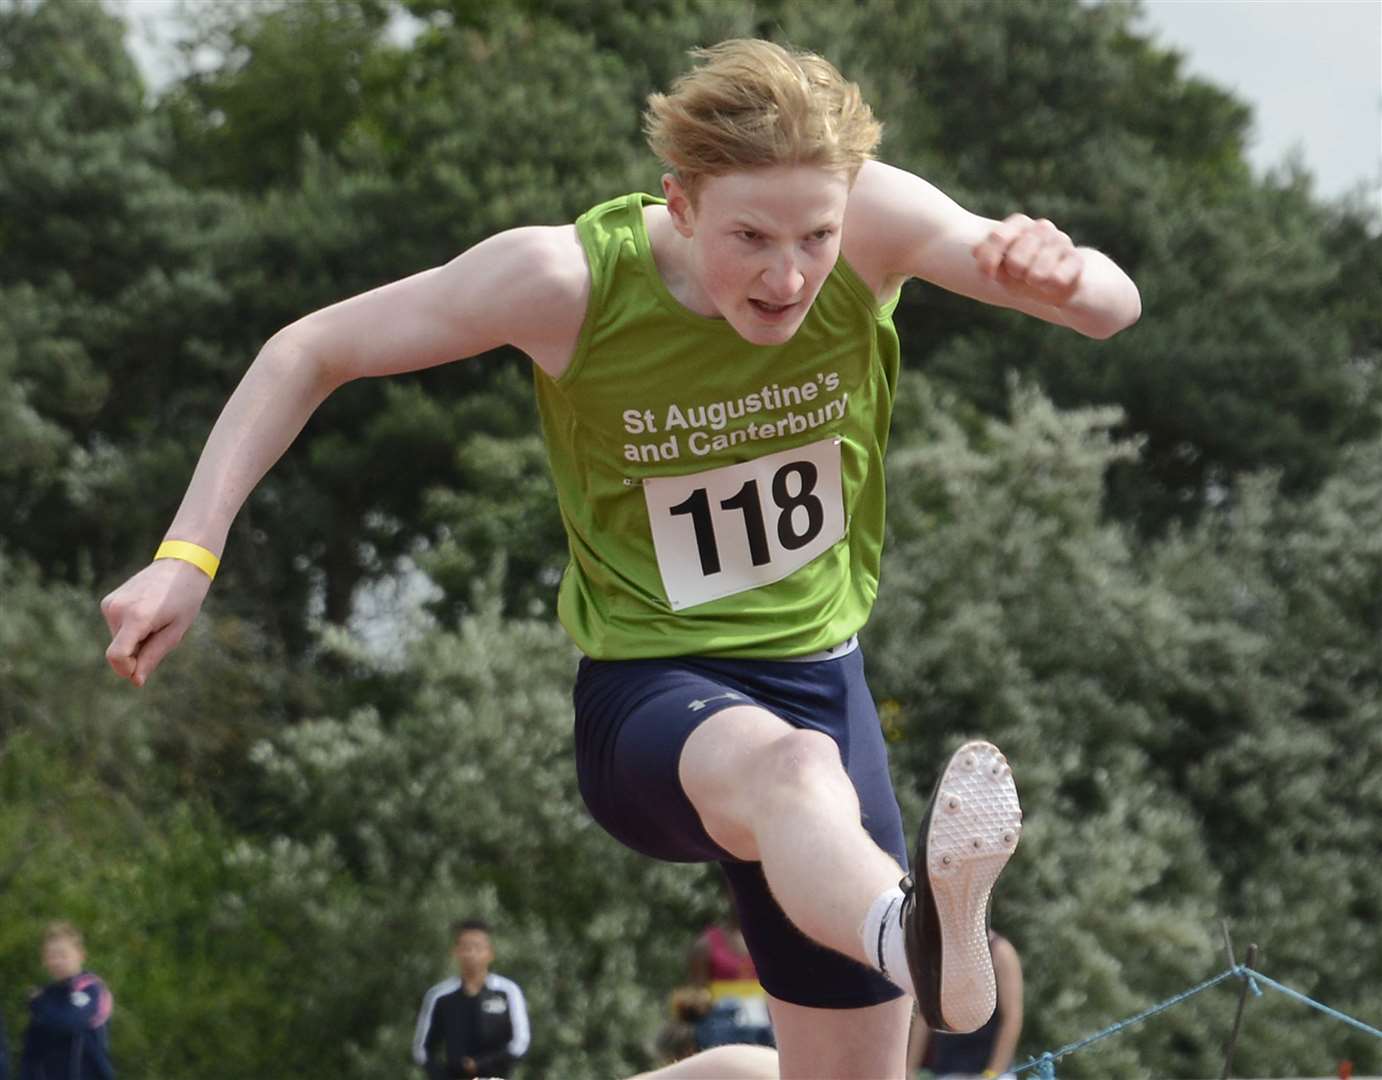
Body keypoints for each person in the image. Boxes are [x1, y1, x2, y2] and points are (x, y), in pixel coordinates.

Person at [100, 38, 1139, 1079]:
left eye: (814, 237)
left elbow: (1108, 310)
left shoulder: (876, 223)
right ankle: (907, 931)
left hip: (825, 678)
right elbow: (308, 349)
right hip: (653, 696)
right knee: (789, 767)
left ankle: (878, 951)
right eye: (750, 237)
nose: (786, 278)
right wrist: (188, 553)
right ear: (679, 203)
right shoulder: (564, 283)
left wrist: (1062, 273)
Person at [412, 918, 530, 1079]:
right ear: (456, 951)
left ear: (490, 953)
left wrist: (481, 1065)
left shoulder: (508, 992)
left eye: (478, 947)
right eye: (466, 947)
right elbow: (422, 1050)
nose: (472, 953)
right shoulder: (439, 996)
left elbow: (520, 1043)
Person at [907, 930, 1023, 1079]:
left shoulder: (1000, 952)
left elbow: (1012, 1018)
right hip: (947, 1069)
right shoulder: (940, 953)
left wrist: (993, 1073)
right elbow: (926, 1016)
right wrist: (909, 1068)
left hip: (988, 1069)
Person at [19, 922, 115, 1080]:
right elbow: (31, 1052)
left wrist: (38, 1003)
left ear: (81, 955)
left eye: (63, 955)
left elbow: (71, 1022)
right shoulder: (47, 995)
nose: (57, 961)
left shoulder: (91, 989)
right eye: (51, 956)